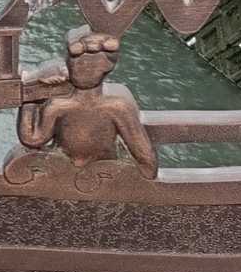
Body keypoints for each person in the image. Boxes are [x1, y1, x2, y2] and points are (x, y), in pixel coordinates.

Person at [16, 29, 158, 178]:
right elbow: (146, 157)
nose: (80, 69)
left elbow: (32, 139)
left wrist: (30, 99)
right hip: (97, 174)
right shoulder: (117, 106)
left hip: (76, 172)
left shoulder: (59, 105)